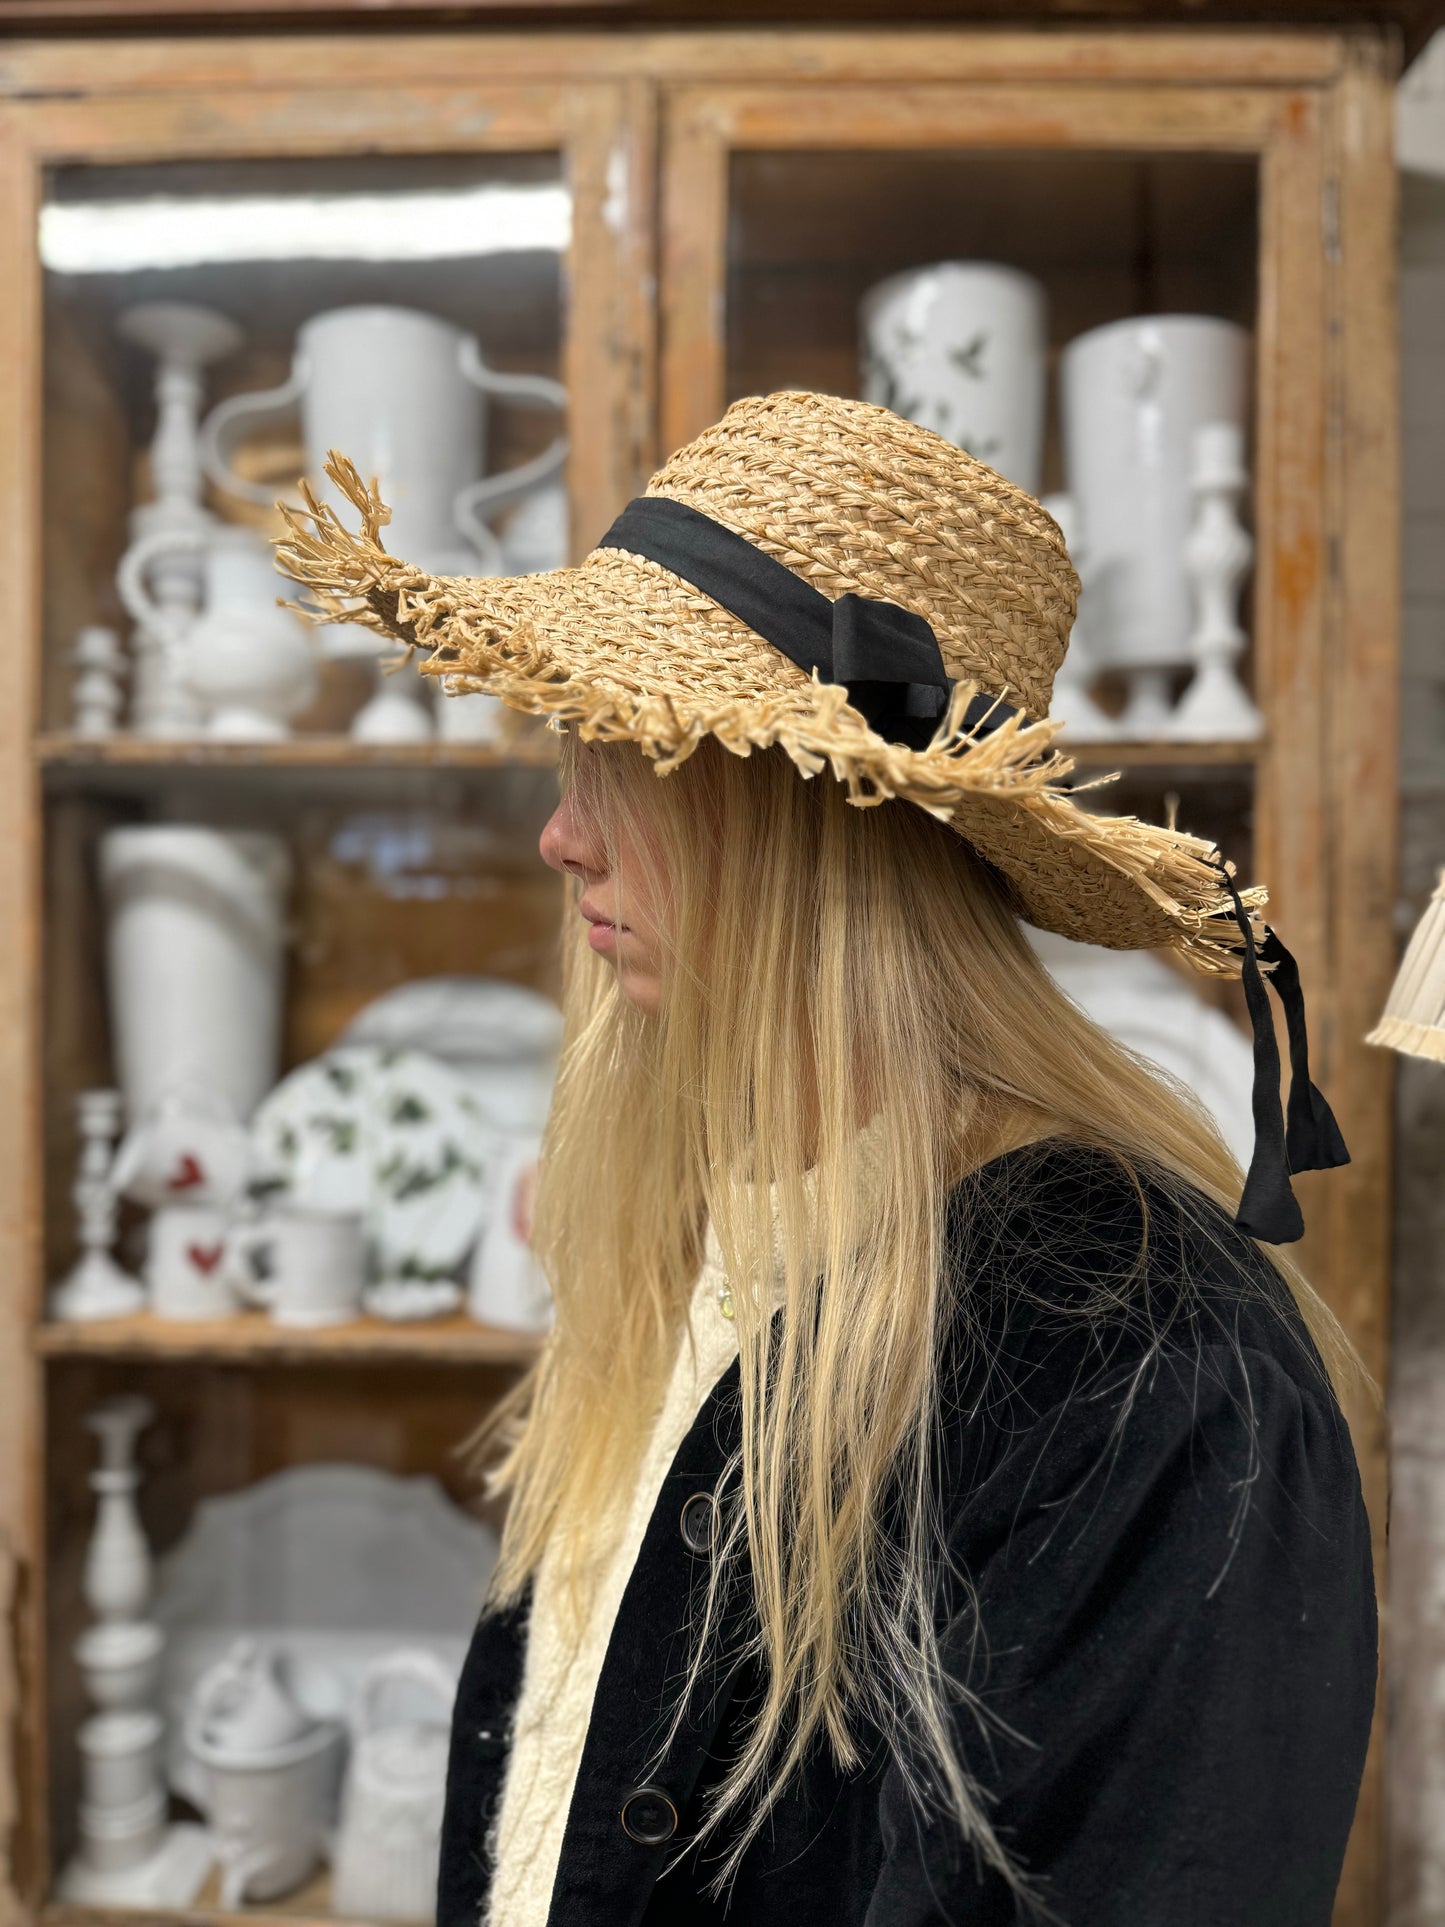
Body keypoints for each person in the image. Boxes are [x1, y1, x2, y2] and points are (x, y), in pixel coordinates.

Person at [280, 390, 1377, 1926]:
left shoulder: (1139, 1359)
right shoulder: (702, 1215)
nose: (560, 838)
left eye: (630, 751)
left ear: (818, 816)